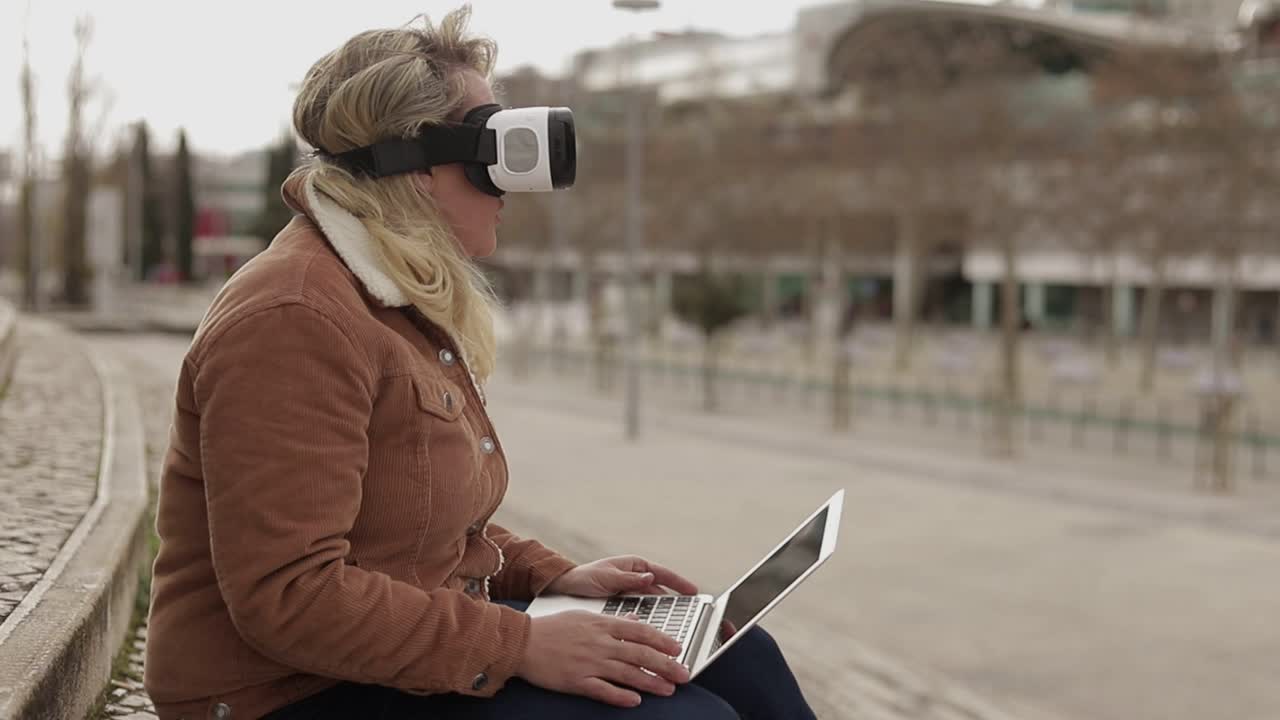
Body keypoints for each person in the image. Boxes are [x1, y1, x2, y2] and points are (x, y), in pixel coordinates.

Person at [143, 8, 816, 719]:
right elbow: (290, 596)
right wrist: (521, 643)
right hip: (279, 692)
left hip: (383, 653)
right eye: (492, 150)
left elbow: (415, 518)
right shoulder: (295, 318)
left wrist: (557, 580)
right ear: (417, 166)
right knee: (688, 718)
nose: (509, 186)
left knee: (744, 653)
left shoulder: (387, 298)